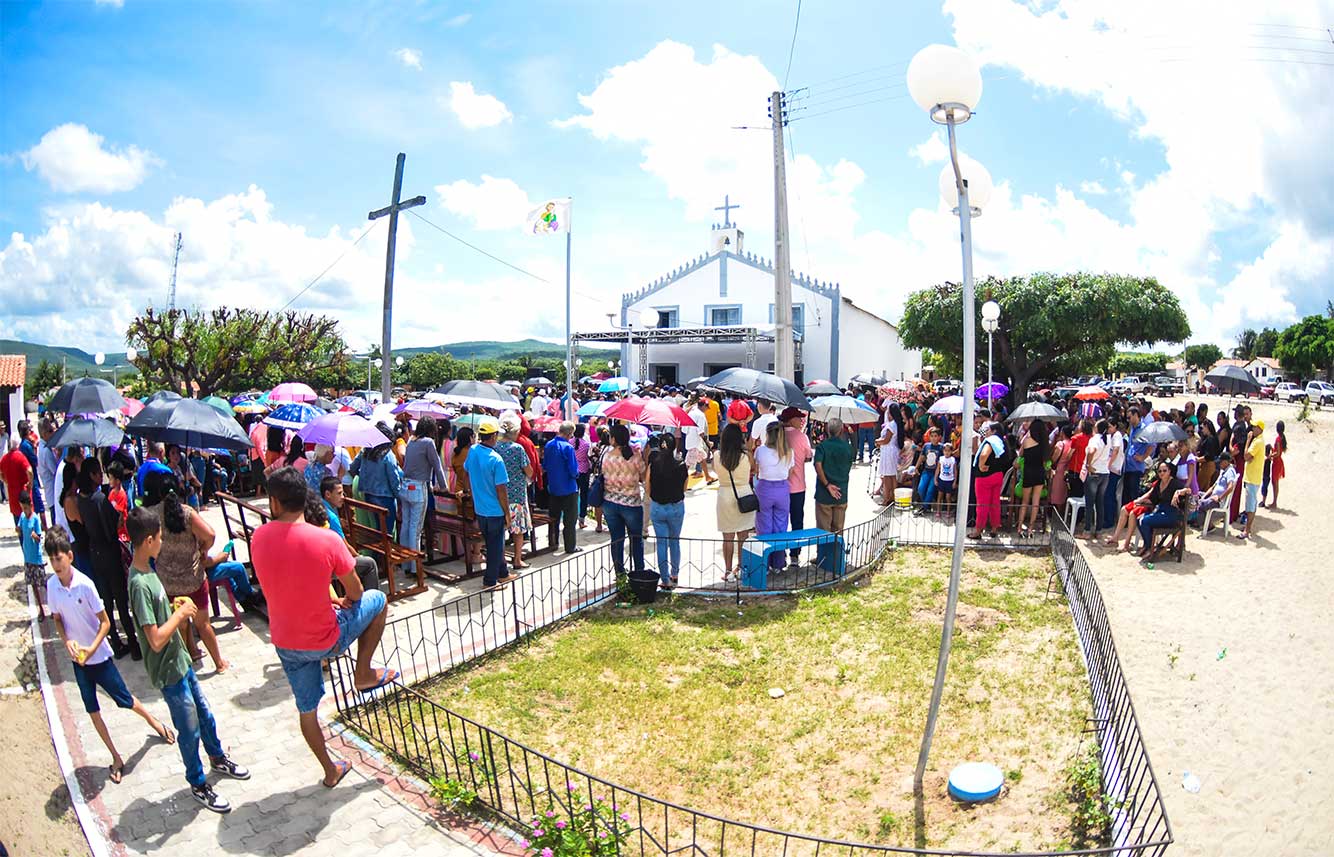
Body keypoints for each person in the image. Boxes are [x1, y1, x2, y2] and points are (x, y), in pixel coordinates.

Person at [250, 467, 394, 788]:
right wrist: (341, 601)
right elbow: (355, 592)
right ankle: (364, 672)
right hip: (324, 638)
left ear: (274, 502)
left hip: (286, 641)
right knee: (378, 600)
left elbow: (282, 582)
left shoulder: (259, 538)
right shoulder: (327, 539)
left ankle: (330, 770)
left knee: (307, 710)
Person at [125, 507, 249, 813]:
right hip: (168, 670)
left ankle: (217, 758)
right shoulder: (139, 583)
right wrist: (180, 615)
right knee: (189, 727)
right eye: (160, 539)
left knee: (204, 715)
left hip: (179, 660)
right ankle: (197, 782)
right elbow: (153, 639)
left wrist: (171, 606)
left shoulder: (148, 571)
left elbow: (156, 616)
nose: (162, 543)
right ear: (149, 540)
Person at [44, 528, 174, 786]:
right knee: (92, 711)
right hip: (79, 662)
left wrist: (92, 648)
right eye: (52, 560)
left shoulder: (85, 585)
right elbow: (57, 619)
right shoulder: (52, 586)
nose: (56, 565)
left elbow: (105, 623)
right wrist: (67, 640)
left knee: (125, 700)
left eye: (59, 559)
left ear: (70, 557)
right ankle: (115, 757)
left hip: (99, 658)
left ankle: (153, 721)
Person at [140, 470, 226, 673]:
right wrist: (203, 549)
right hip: (193, 578)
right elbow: (210, 534)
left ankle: (188, 655)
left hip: (167, 581)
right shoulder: (187, 513)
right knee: (203, 624)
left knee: (179, 621)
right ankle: (219, 663)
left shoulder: (152, 513)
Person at [77, 458, 142, 661]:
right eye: (98, 474)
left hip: (95, 552)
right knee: (121, 601)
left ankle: (115, 640)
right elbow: (110, 527)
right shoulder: (99, 499)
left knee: (105, 600)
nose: (101, 477)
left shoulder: (82, 498)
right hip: (109, 552)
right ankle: (132, 643)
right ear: (92, 475)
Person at [464, 419, 515, 587]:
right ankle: (490, 581)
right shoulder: (496, 460)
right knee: (495, 548)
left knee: (495, 544)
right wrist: (507, 513)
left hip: (480, 509)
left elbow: (466, 473)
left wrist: (469, 492)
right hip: (494, 511)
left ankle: (503, 573)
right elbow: (502, 491)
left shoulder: (472, 451)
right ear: (493, 436)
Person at [399, 416, 447, 576]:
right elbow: (437, 466)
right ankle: (416, 568)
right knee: (415, 529)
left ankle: (405, 564)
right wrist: (444, 487)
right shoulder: (428, 442)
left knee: (406, 526)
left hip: (405, 486)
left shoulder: (411, 441)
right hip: (418, 487)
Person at [601, 423, 647, 577]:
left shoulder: (606, 456)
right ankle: (639, 573)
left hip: (610, 501)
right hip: (631, 503)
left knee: (616, 539)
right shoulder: (635, 455)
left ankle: (619, 574)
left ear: (613, 439)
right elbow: (643, 475)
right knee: (636, 540)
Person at [645, 433, 688, 589]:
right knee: (674, 541)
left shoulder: (653, 464)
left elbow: (647, 488)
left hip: (658, 507)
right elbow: (684, 487)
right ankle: (674, 573)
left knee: (662, 543)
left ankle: (664, 579)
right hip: (676, 506)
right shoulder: (681, 464)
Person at [715, 423, 756, 580]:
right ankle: (741, 567)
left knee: (727, 537)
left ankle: (727, 570)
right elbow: (753, 469)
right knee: (743, 535)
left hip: (725, 496)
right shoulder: (746, 456)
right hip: (744, 495)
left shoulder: (718, 456)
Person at [754, 421, 794, 571]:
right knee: (781, 526)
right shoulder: (789, 451)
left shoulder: (760, 450)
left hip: (765, 488)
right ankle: (778, 563)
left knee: (764, 526)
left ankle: (764, 563)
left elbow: (757, 470)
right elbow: (790, 473)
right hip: (782, 488)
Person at [496, 417, 534, 570]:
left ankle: (502, 560)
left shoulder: (495, 447)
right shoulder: (517, 449)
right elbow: (528, 470)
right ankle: (517, 559)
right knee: (518, 530)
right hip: (517, 494)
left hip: (499, 494)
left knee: (501, 530)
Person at [350, 439, 402, 538]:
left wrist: (365, 478)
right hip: (386, 498)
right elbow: (394, 480)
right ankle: (382, 552)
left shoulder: (365, 451)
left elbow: (352, 468)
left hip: (368, 496)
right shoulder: (388, 455)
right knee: (387, 532)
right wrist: (399, 498)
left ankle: (376, 552)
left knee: (376, 529)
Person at [781, 408, 813, 566]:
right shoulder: (802, 437)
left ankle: (779, 556)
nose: (801, 420)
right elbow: (808, 456)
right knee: (797, 520)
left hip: (779, 486)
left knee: (780, 522)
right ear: (791, 419)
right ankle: (795, 554)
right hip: (798, 486)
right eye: (798, 418)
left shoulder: (777, 435)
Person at [543, 422, 581, 555]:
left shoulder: (549, 445)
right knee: (570, 520)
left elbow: (545, 465)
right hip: (569, 488)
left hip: (553, 487)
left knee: (553, 518)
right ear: (570, 433)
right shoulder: (568, 448)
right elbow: (573, 470)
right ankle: (570, 546)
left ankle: (553, 543)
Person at [813, 418, 853, 534]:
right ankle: (836, 552)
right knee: (838, 531)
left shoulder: (822, 446)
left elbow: (817, 464)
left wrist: (827, 484)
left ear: (827, 430)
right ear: (841, 430)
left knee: (822, 531)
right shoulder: (848, 447)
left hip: (823, 492)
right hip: (841, 491)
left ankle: (823, 552)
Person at [969, 421, 1008, 539]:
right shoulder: (1002, 441)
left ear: (994, 431)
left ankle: (978, 530)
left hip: (984, 477)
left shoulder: (991, 441)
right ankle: (994, 528)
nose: (986, 432)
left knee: (982, 505)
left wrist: (981, 465)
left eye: (988, 430)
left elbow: (983, 454)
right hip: (998, 475)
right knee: (995, 503)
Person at [1078, 420, 1112, 540]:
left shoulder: (1095, 439)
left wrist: (1088, 465)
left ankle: (1087, 531)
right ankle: (1098, 531)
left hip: (1094, 473)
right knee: (1100, 503)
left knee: (1089, 503)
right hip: (1104, 473)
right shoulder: (1107, 439)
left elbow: (1091, 451)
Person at [19, 490, 48, 620]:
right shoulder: (22, 517)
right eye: (22, 508)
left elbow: (39, 537)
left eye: (25, 508)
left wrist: (35, 536)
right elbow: (20, 529)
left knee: (43, 584)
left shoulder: (35, 518)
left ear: (30, 505)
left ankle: (53, 607)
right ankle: (41, 610)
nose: (24, 510)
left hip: (36, 557)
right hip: (28, 557)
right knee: (34, 586)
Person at [1017, 419, 1049, 536]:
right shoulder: (1045, 443)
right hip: (1039, 472)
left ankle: (1020, 527)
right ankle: (1030, 528)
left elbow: (1020, 454)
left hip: (1028, 472)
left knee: (1025, 502)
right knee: (1036, 501)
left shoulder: (1027, 441)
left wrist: (1026, 436)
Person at [1189, 451, 1236, 528]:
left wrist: (1219, 498)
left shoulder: (1230, 471)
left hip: (1218, 500)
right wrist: (1204, 496)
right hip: (1212, 496)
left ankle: (1208, 526)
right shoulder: (1223, 471)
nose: (1219, 464)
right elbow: (1213, 487)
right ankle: (1197, 520)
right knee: (1195, 495)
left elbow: (1230, 487)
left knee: (1201, 505)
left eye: (1220, 462)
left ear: (1225, 462)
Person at [1239, 420, 1265, 541]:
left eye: (1254, 427)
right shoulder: (1259, 440)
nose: (1252, 429)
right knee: (1252, 504)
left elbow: (1246, 456)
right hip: (1253, 476)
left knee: (1250, 505)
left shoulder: (1257, 442)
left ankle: (1247, 530)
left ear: (1259, 429)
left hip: (1252, 477)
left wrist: (1248, 441)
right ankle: (1247, 527)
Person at [1, 435, 32, 529]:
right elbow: (29, 471)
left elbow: (0, 472)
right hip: (23, 492)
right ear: (18, 445)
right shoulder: (20, 456)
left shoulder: (5, 458)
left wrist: (5, 481)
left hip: (12, 493)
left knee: (17, 521)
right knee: (28, 521)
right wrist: (30, 483)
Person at [573, 423, 593, 528]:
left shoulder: (570, 443)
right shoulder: (585, 444)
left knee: (573, 495)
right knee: (584, 495)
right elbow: (588, 457)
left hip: (573, 471)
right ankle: (582, 519)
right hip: (584, 471)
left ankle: (572, 517)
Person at [1264, 420, 1286, 509]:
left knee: (1275, 482)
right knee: (1275, 482)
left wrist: (1269, 456)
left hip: (1276, 462)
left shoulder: (1278, 439)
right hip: (1278, 461)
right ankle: (1274, 501)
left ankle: (1274, 502)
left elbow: (1277, 453)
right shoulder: (1282, 438)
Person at [935, 442, 958, 517]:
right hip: (942, 479)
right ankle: (938, 511)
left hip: (950, 480)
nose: (947, 452)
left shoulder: (953, 460)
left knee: (948, 497)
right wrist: (935, 479)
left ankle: (948, 512)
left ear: (951, 452)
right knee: (940, 496)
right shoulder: (941, 459)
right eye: (945, 451)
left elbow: (955, 471)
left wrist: (955, 481)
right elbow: (938, 469)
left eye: (948, 451)